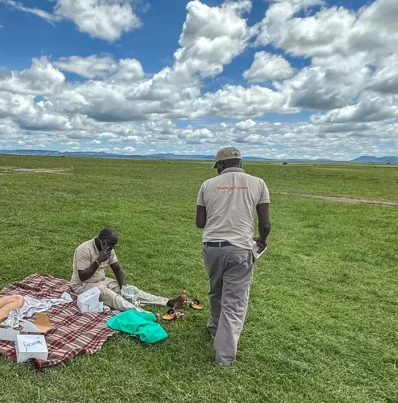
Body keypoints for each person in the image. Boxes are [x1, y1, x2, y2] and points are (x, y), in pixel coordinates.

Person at [195, 146, 272, 366]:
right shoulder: (258, 183)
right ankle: (224, 357)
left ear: (220, 164)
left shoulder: (207, 185)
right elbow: (265, 223)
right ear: (240, 163)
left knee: (216, 289)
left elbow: (200, 223)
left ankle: (214, 329)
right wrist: (262, 239)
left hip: (211, 247)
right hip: (240, 248)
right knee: (235, 301)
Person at [71, 228, 187, 313]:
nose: (113, 248)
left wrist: (124, 289)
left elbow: (117, 269)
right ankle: (142, 313)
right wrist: (98, 260)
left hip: (101, 281)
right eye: (112, 244)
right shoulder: (84, 250)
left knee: (132, 290)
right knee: (110, 295)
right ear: (103, 241)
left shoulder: (108, 249)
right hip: (83, 286)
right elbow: (82, 276)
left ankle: (168, 302)